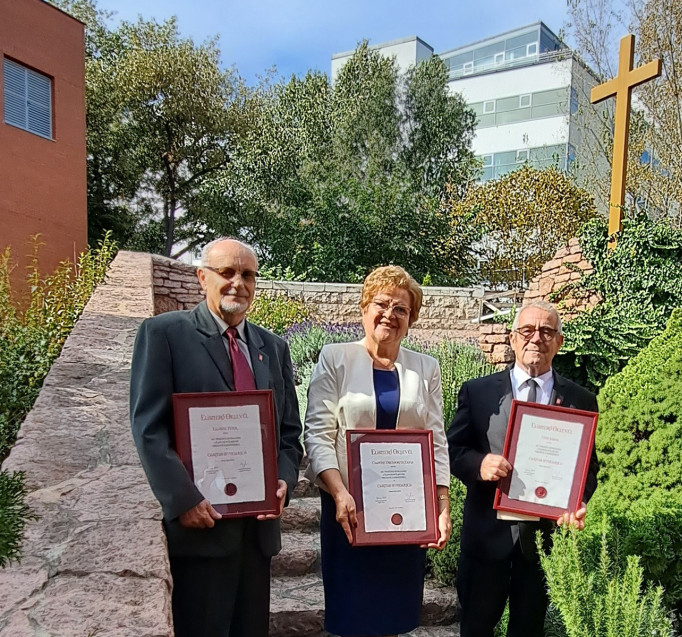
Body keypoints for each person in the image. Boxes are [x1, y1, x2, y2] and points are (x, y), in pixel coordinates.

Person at [129, 238, 303, 637]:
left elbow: (289, 432)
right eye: (227, 272)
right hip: (201, 530)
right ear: (202, 277)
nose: (238, 283)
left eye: (248, 275)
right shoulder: (164, 334)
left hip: (257, 536)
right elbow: (148, 428)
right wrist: (183, 499)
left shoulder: (273, 347)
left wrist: (284, 481)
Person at [304, 265, 451, 637]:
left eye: (401, 309)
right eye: (382, 304)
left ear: (411, 320)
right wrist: (339, 493)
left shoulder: (426, 368)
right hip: (348, 510)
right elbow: (318, 434)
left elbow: (436, 439)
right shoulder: (335, 358)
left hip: (405, 510)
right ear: (364, 308)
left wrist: (442, 506)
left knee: (393, 618)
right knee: (352, 616)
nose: (390, 314)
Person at [447, 300, 599, 637]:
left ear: (559, 342)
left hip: (542, 543)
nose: (536, 338)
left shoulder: (581, 399)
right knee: (475, 629)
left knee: (529, 631)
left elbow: (589, 467)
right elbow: (452, 449)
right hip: (486, 537)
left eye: (547, 331)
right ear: (513, 338)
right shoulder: (478, 392)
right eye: (527, 330)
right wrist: (479, 464)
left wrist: (577, 500)